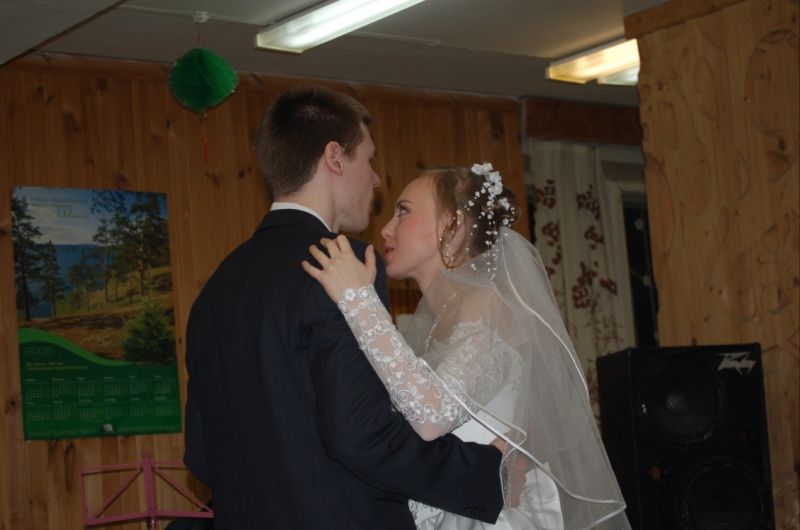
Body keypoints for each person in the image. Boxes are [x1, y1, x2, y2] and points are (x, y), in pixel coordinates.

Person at [183, 85, 509, 530]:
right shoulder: (339, 264)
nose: (374, 179)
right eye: (369, 159)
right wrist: (485, 472)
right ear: (335, 158)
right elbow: (359, 434)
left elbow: (201, 455)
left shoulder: (216, 287)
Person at [304, 164, 632, 529]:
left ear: (454, 225)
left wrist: (359, 300)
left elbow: (432, 417)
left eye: (404, 211)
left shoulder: (486, 303)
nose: (386, 228)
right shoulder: (430, 325)